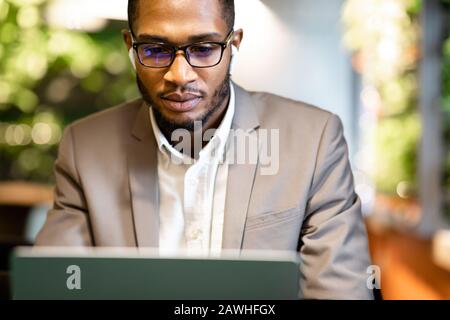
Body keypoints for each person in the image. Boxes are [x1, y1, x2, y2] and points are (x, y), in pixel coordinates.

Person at [35, 0, 374, 299]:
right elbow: (53, 287)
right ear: (130, 45)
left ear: (233, 45)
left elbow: (339, 292)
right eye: (155, 49)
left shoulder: (313, 141)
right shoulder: (86, 148)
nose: (179, 75)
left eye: (203, 49)